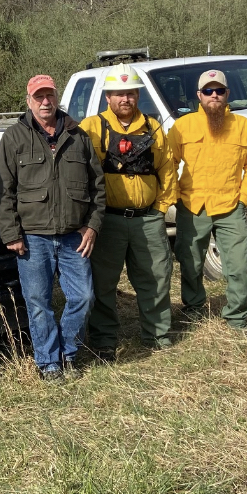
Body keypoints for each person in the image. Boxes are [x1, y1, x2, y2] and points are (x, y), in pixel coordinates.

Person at [0, 74, 105, 380]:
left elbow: (98, 187)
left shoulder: (78, 137)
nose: (46, 102)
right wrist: (11, 234)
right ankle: (48, 363)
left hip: (74, 236)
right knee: (39, 303)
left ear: (57, 98)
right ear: (29, 101)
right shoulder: (14, 138)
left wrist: (92, 226)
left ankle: (68, 352)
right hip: (32, 238)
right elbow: (4, 192)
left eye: (50, 96)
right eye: (39, 97)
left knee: (83, 297)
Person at [78, 64, 178, 358]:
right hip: (107, 220)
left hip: (147, 218)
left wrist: (160, 208)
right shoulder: (91, 127)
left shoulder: (153, 128)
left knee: (156, 277)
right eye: (119, 94)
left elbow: (167, 169)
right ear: (108, 97)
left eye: (131, 93)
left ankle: (157, 334)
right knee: (103, 282)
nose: (126, 99)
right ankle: (105, 338)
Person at [167, 69, 247, 334]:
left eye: (219, 90)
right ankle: (194, 310)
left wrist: (244, 198)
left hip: (231, 206)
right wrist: (175, 197)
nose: (214, 96)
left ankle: (238, 319)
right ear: (199, 95)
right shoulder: (183, 126)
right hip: (192, 205)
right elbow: (167, 164)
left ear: (227, 94)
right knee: (190, 264)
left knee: (239, 264)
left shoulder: (242, 126)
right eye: (208, 91)